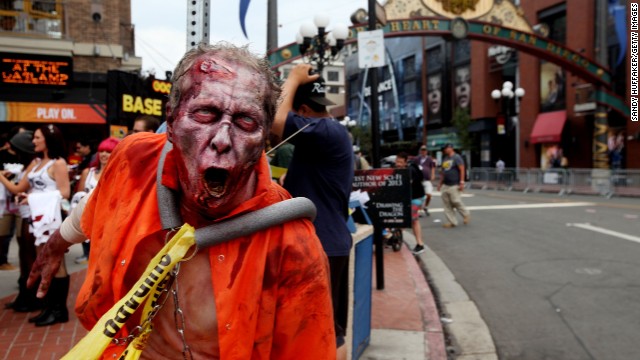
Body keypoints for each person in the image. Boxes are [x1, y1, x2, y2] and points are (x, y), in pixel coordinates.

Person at [28, 43, 335, 359]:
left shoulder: (290, 244)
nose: (221, 140)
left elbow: (307, 349)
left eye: (246, 121)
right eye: (205, 113)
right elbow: (99, 201)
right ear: (171, 121)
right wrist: (57, 243)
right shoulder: (135, 160)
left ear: (263, 140)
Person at [272, 63, 353, 360]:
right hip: (326, 243)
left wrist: (292, 78)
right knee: (324, 328)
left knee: (329, 331)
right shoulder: (324, 138)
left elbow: (275, 122)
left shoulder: (325, 131)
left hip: (324, 246)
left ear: (302, 111)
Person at [0, 124, 71, 326]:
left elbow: (64, 193)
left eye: (37, 138)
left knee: (55, 262)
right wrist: (28, 196)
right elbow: (19, 187)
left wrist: (34, 198)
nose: (33, 141)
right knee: (42, 262)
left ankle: (59, 310)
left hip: (51, 218)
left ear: (48, 139)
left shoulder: (58, 163)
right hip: (37, 218)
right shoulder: (37, 162)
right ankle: (48, 306)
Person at [1, 131, 36, 307]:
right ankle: (25, 293)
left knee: (28, 254)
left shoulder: (33, 164)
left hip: (30, 213)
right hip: (25, 212)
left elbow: (18, 188)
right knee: (24, 253)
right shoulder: (30, 164)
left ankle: (29, 295)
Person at [72, 137, 120, 264]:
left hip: (108, 221)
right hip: (88, 216)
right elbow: (79, 195)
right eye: (102, 151)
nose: (104, 154)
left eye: (108, 151)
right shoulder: (87, 172)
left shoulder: (119, 174)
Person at [396, 152, 426, 254]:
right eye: (397, 161)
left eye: (400, 162)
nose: (398, 164)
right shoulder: (400, 170)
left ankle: (420, 245)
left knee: (413, 219)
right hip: (409, 197)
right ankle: (396, 236)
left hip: (417, 197)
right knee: (405, 217)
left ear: (405, 162)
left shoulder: (410, 170)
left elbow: (406, 186)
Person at [438, 143, 470, 228]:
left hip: (454, 184)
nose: (445, 150)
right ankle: (452, 222)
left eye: (446, 148)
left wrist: (462, 182)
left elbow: (462, 169)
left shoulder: (457, 157)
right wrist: (440, 183)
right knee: (446, 204)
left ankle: (465, 214)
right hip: (445, 184)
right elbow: (443, 172)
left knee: (456, 201)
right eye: (444, 149)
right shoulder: (445, 158)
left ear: (451, 148)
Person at [413, 145, 436, 216]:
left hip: (427, 179)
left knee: (429, 194)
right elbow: (414, 167)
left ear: (426, 151)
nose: (423, 151)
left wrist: (433, 175)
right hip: (419, 180)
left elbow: (432, 167)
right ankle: (419, 210)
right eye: (422, 150)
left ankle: (425, 206)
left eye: (424, 150)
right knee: (419, 196)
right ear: (420, 151)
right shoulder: (417, 159)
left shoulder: (429, 159)